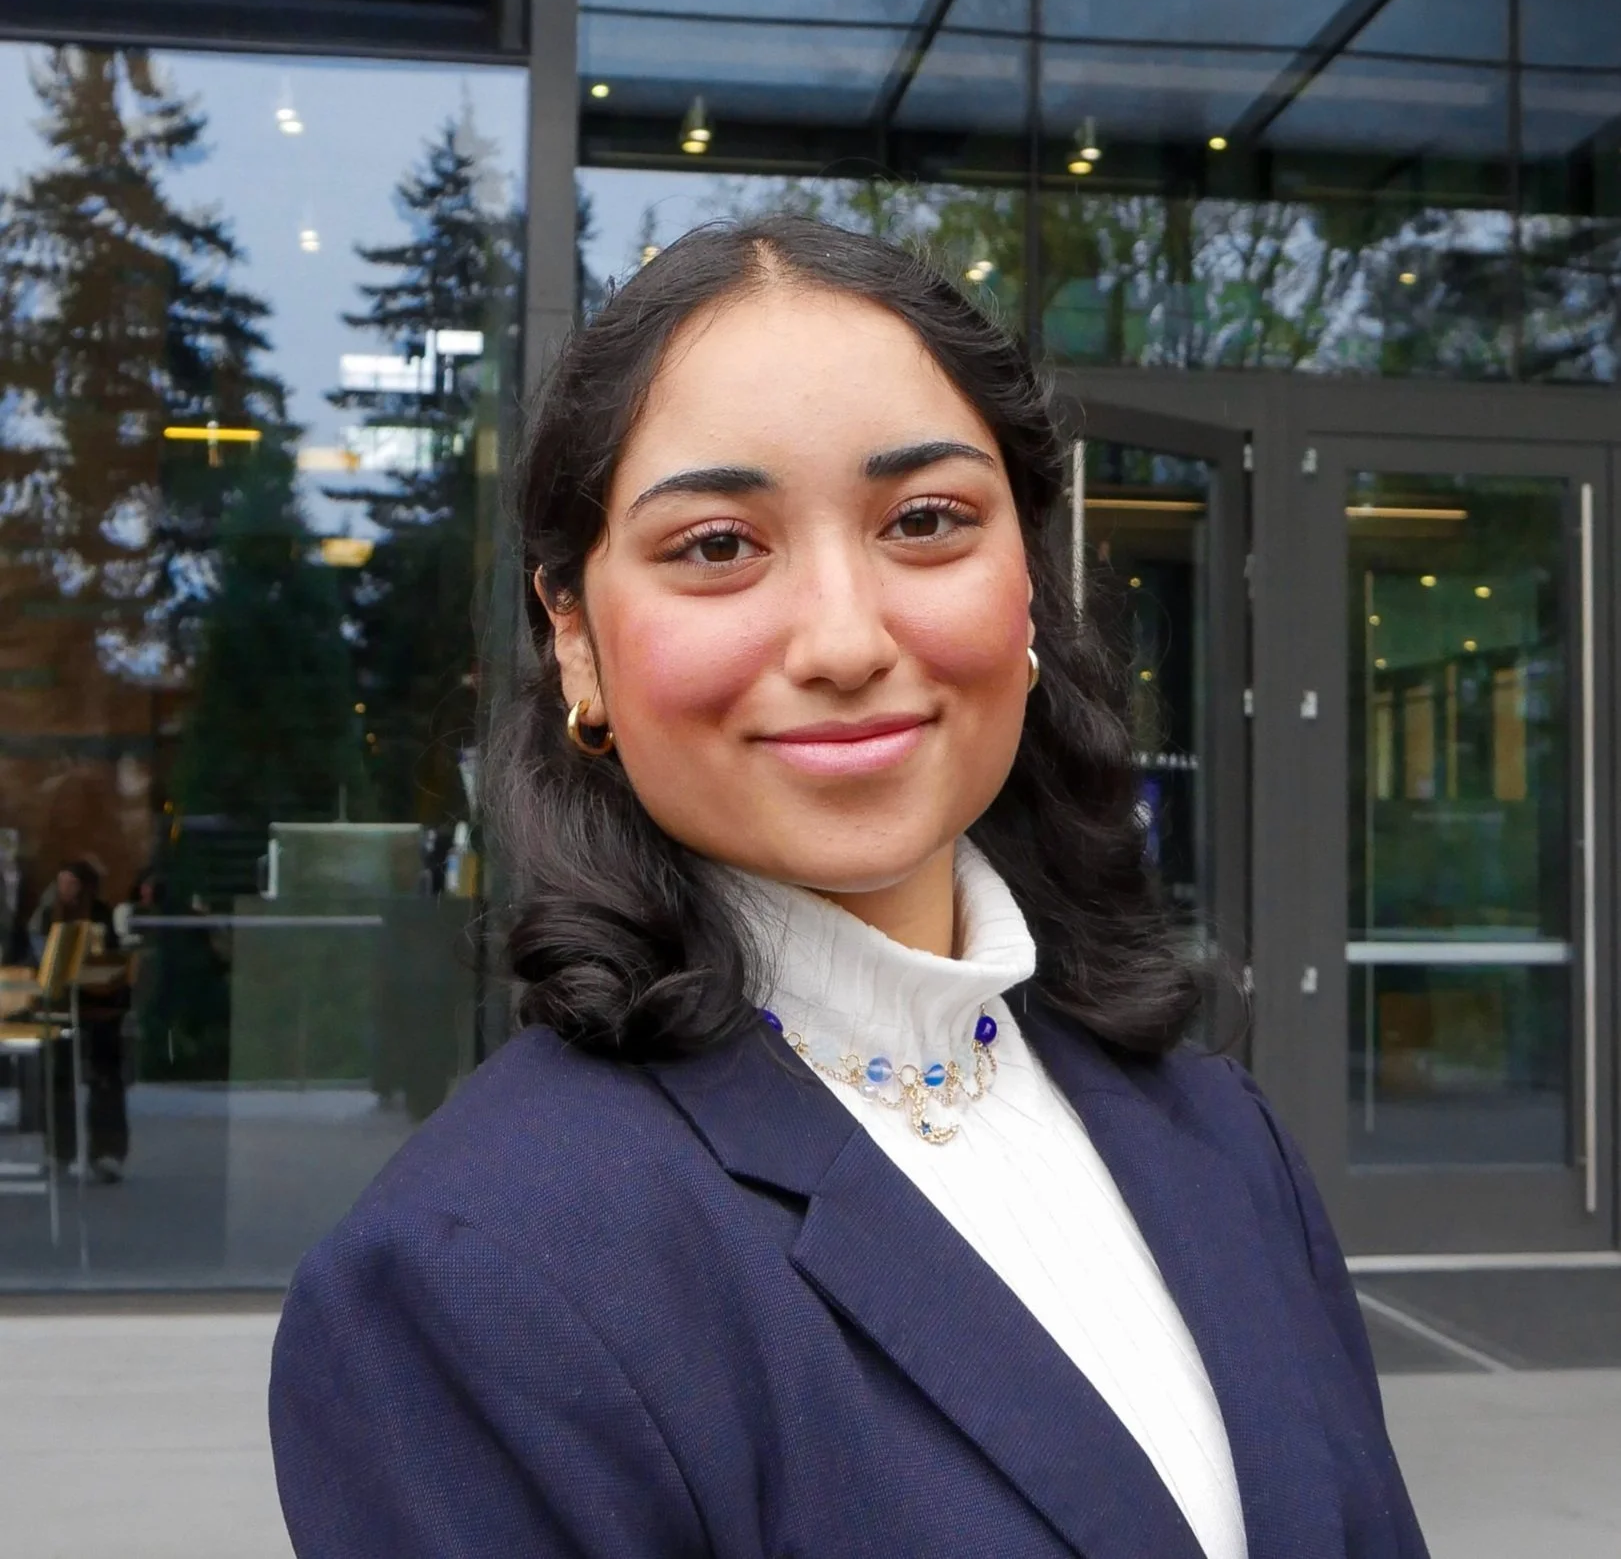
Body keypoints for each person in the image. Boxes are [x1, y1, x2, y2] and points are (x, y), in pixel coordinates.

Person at [269, 218, 1427, 1559]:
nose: (842, 639)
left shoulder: (1220, 1138)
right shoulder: (472, 1278)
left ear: (1028, 587)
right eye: (718, 544)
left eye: (926, 521)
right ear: (573, 637)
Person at [40, 860, 129, 1182]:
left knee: (104, 1078)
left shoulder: (100, 914)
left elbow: (112, 958)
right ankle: (59, 1151)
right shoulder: (49, 914)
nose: (66, 890)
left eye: (72, 883)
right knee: (58, 1079)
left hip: (98, 1007)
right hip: (60, 1007)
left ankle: (106, 1153)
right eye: (62, 883)